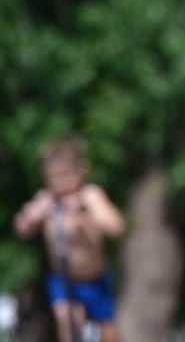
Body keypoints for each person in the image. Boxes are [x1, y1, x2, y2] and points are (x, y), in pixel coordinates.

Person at [12, 134, 125, 342]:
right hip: (62, 278)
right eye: (53, 178)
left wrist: (87, 211)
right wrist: (31, 217)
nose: (60, 184)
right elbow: (21, 228)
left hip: (94, 279)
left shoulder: (90, 195)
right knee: (68, 321)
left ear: (81, 170)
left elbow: (116, 226)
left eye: (65, 176)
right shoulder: (47, 200)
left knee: (108, 332)